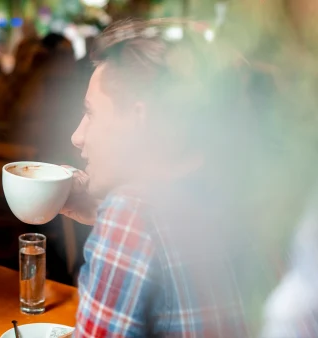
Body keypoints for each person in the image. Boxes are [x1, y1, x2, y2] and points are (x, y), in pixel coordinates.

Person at [60, 19, 268, 336]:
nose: (77, 136)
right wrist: (101, 213)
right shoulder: (242, 189)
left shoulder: (131, 212)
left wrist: (118, 223)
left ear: (139, 120)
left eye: (92, 114)